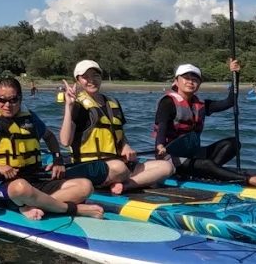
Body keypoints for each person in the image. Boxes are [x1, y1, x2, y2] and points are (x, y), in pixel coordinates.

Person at [0, 76, 103, 219]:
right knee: (21, 187)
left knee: (85, 186)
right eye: (2, 100)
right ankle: (71, 209)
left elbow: (50, 137)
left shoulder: (29, 118)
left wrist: (58, 159)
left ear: (20, 99)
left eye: (13, 100)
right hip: (4, 186)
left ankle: (33, 205)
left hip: (34, 181)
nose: (7, 105)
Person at [153, 61, 256, 187]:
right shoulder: (167, 103)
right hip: (170, 158)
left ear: (199, 84)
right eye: (186, 78)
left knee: (233, 143)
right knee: (206, 164)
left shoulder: (201, 105)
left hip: (192, 153)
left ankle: (207, 173)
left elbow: (229, 102)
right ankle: (248, 180)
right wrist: (160, 145)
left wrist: (235, 75)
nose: (190, 82)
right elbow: (162, 127)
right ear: (176, 81)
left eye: (195, 79)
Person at [60, 60, 173, 194]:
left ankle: (126, 185)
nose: (91, 80)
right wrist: (69, 107)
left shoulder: (112, 103)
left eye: (95, 75)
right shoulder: (77, 105)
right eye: (85, 77)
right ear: (78, 81)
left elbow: (119, 133)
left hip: (116, 163)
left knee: (166, 167)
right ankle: (120, 178)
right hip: (88, 165)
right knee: (119, 168)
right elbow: (65, 141)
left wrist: (126, 146)